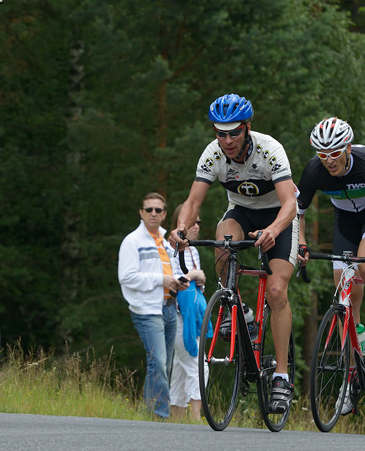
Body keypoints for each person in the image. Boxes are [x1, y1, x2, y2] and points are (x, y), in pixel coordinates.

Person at [170, 93, 299, 415]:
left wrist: (273, 230)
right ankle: (237, 307)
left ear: (247, 128)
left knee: (276, 291)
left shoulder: (270, 150)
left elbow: (290, 203)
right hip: (241, 212)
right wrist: (181, 229)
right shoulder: (213, 154)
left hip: (278, 217)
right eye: (220, 132)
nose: (227, 140)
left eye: (234, 132)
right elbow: (193, 201)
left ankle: (282, 376)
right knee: (223, 240)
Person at [296, 117, 365, 414]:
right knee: (346, 296)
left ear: (347, 147)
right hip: (345, 221)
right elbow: (298, 214)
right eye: (322, 154)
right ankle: (351, 376)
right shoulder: (313, 172)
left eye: (334, 153)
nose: (328, 160)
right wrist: (301, 245)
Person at [118, 193, 188, 419]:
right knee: (158, 361)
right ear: (141, 213)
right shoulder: (132, 241)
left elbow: (170, 272)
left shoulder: (165, 242)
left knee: (162, 364)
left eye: (158, 210)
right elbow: (126, 277)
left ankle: (151, 414)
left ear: (165, 214)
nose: (153, 214)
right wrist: (161, 280)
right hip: (146, 311)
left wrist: (178, 281)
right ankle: (161, 414)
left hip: (168, 306)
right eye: (149, 210)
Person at [169, 205, 208, 421]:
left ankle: (175, 420)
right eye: (193, 222)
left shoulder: (193, 250)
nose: (197, 226)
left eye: (199, 223)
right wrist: (194, 274)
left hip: (192, 315)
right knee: (198, 365)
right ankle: (196, 418)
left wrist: (197, 277)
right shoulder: (169, 248)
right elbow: (176, 284)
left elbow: (201, 284)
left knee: (181, 368)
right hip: (175, 315)